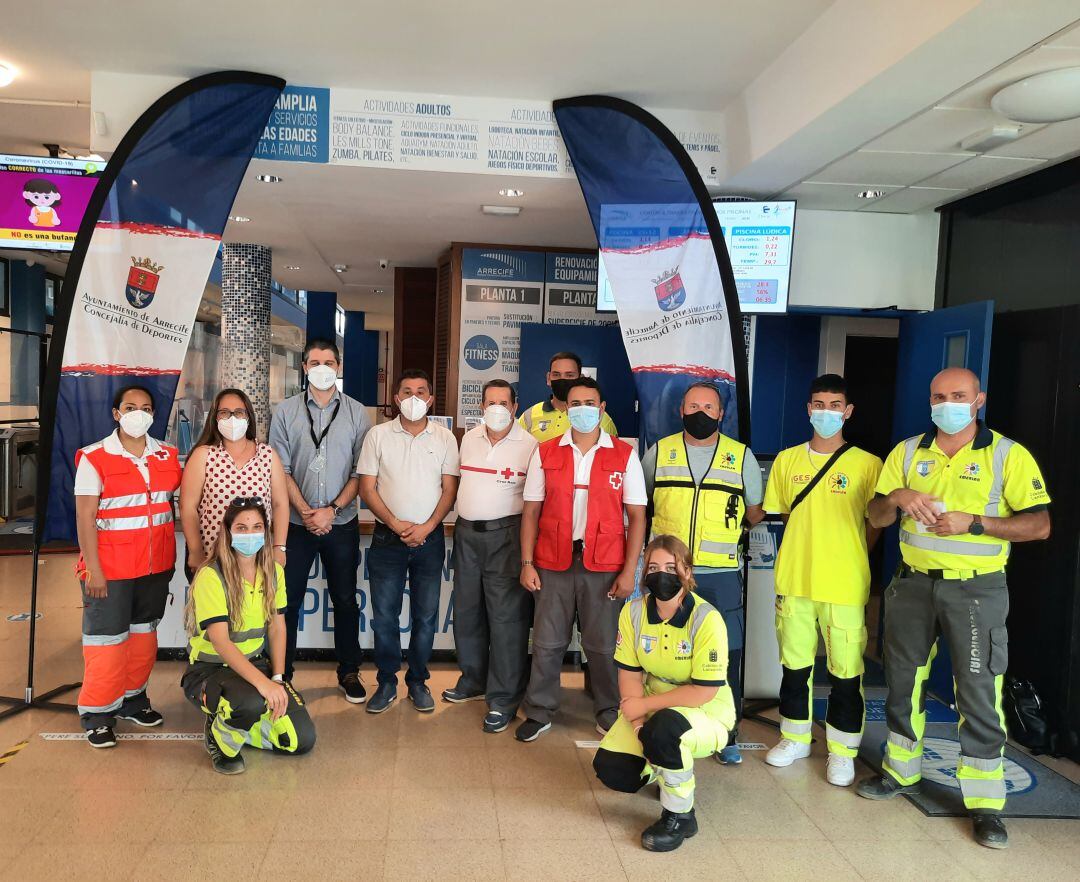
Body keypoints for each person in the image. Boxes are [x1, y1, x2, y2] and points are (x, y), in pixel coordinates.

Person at [858, 367, 1051, 849]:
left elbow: (1040, 526)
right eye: (939, 396)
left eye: (958, 396)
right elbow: (875, 515)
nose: (947, 404)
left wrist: (977, 524)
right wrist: (900, 497)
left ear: (978, 399)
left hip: (976, 592)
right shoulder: (906, 451)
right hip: (912, 586)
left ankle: (985, 804)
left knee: (978, 691)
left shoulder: (1007, 454)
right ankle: (899, 773)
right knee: (903, 683)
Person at [761, 374, 882, 785]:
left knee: (846, 672)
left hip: (844, 584)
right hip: (795, 578)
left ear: (847, 412)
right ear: (807, 409)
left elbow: (874, 523)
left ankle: (843, 750)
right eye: (818, 404)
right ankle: (794, 737)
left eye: (834, 406)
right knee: (794, 667)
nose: (825, 413)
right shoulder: (787, 460)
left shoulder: (868, 464)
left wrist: (847, 554)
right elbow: (782, 513)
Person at [516, 376, 647, 742]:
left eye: (590, 403)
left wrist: (629, 571)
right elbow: (530, 512)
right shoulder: (546, 451)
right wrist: (527, 562)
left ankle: (608, 709)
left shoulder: (623, 454)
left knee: (604, 645)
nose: (583, 410)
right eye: (575, 404)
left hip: (605, 566)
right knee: (546, 642)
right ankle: (539, 709)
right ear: (566, 409)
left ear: (602, 409)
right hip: (552, 561)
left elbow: (636, 516)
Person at [641, 381, 764, 764]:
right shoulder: (659, 453)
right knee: (667, 651)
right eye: (693, 405)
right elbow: (641, 506)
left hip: (721, 574)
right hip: (668, 575)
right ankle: (661, 721)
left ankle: (727, 732)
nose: (700, 412)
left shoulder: (740, 456)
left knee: (726, 653)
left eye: (708, 407)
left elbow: (754, 512)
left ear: (721, 413)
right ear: (681, 410)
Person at [593, 535, 735, 852]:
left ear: (687, 571)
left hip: (707, 711)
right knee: (614, 771)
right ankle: (665, 764)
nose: (662, 574)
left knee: (666, 730)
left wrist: (645, 707)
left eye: (672, 567)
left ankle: (680, 815)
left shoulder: (706, 619)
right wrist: (640, 724)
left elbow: (703, 692)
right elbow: (629, 674)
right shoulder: (633, 613)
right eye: (653, 567)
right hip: (654, 705)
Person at [73, 385, 182, 748]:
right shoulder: (95, 457)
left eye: (147, 408)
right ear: (116, 414)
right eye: (131, 407)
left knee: (142, 637)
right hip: (110, 570)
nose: (140, 413)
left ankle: (133, 700)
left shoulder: (167, 455)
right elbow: (85, 517)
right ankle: (98, 713)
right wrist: (93, 569)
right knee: (106, 642)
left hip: (155, 566)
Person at [269, 338, 372, 701]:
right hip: (296, 527)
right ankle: (283, 674)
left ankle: (349, 672)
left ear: (340, 366)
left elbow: (362, 471)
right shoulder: (285, 412)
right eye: (315, 362)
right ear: (304, 368)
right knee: (288, 602)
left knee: (345, 600)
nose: (323, 367)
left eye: (329, 361)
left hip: (341, 524)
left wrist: (331, 509)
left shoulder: (358, 413)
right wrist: (308, 512)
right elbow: (279, 470)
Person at [181, 498, 315, 774]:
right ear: (228, 532)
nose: (250, 534)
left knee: (300, 739)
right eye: (241, 528)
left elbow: (277, 628)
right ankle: (220, 739)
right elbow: (221, 642)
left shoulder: (273, 572)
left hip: (255, 664)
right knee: (251, 701)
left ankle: (243, 724)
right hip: (210, 670)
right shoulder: (211, 576)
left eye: (256, 527)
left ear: (265, 532)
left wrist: (277, 678)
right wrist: (264, 687)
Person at [358, 369, 459, 714]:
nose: (414, 398)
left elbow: (449, 489)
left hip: (429, 542)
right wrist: (396, 523)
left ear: (431, 399)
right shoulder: (377, 435)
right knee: (384, 617)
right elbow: (366, 488)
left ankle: (418, 681)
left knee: (426, 617)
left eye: (421, 392)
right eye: (407, 392)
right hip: (388, 540)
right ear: (397, 398)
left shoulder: (445, 438)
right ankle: (387, 681)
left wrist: (429, 526)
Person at [442, 378, 538, 733]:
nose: (496, 408)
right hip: (467, 535)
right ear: (481, 406)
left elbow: (534, 504)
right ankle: (473, 680)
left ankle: (503, 698)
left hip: (506, 537)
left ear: (514, 407)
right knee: (467, 612)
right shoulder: (469, 437)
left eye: (503, 402)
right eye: (489, 402)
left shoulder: (530, 446)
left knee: (506, 620)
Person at [179, 388, 289, 576]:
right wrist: (196, 552)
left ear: (248, 416)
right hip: (211, 559)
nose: (232, 419)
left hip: (258, 560)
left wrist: (280, 547)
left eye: (239, 412)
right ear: (215, 417)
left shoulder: (267, 455)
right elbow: (187, 506)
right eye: (224, 413)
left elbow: (280, 504)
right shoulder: (204, 455)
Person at [518, 351, 618, 442]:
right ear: (549, 378)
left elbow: (612, 455)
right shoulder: (529, 416)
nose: (563, 380)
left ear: (580, 378)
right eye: (556, 375)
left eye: (569, 375)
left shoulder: (599, 417)